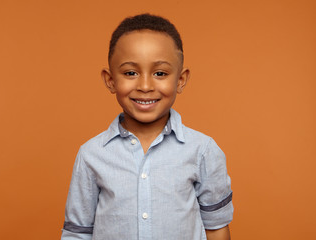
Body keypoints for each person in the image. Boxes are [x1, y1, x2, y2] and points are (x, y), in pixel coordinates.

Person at [61, 13, 233, 240]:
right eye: (130, 73)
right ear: (110, 80)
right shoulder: (91, 155)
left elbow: (217, 227)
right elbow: (77, 233)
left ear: (180, 80)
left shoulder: (203, 150)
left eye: (160, 73)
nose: (144, 85)